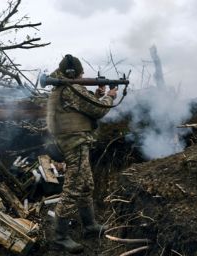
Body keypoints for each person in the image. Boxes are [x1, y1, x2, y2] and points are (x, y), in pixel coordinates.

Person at [46, 54, 117, 253]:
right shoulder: (71, 88)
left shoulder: (62, 88)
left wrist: (96, 95)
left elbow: (81, 109)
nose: (83, 75)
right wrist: (109, 96)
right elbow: (98, 110)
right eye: (81, 72)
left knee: (86, 184)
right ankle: (60, 237)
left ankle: (90, 226)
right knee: (74, 187)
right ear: (75, 73)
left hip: (73, 142)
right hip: (75, 144)